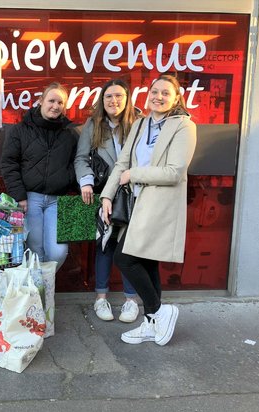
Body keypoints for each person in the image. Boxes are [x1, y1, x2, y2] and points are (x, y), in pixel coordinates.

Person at [101, 74, 197, 346]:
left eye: (166, 93)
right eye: (155, 91)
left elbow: (174, 172)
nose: (158, 96)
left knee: (125, 258)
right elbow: (121, 163)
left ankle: (158, 311)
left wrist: (134, 174)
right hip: (135, 203)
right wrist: (107, 196)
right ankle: (152, 323)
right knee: (145, 260)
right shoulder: (141, 123)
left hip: (159, 205)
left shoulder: (184, 126)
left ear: (176, 98)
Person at [74, 79, 142, 323]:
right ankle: (100, 298)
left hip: (134, 194)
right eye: (109, 96)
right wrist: (86, 181)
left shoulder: (140, 122)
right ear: (102, 100)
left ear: (127, 98)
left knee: (130, 248)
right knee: (105, 245)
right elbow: (81, 158)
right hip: (104, 194)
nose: (114, 101)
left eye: (119, 96)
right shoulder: (93, 125)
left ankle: (131, 300)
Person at [1, 82, 78, 270]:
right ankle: (42, 295)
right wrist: (19, 195)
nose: (55, 106)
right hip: (30, 199)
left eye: (60, 102)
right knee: (35, 250)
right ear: (41, 101)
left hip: (59, 200)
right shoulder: (20, 130)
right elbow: (9, 163)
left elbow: (78, 162)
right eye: (51, 100)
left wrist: (69, 181)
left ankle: (41, 286)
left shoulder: (69, 133)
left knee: (59, 252)